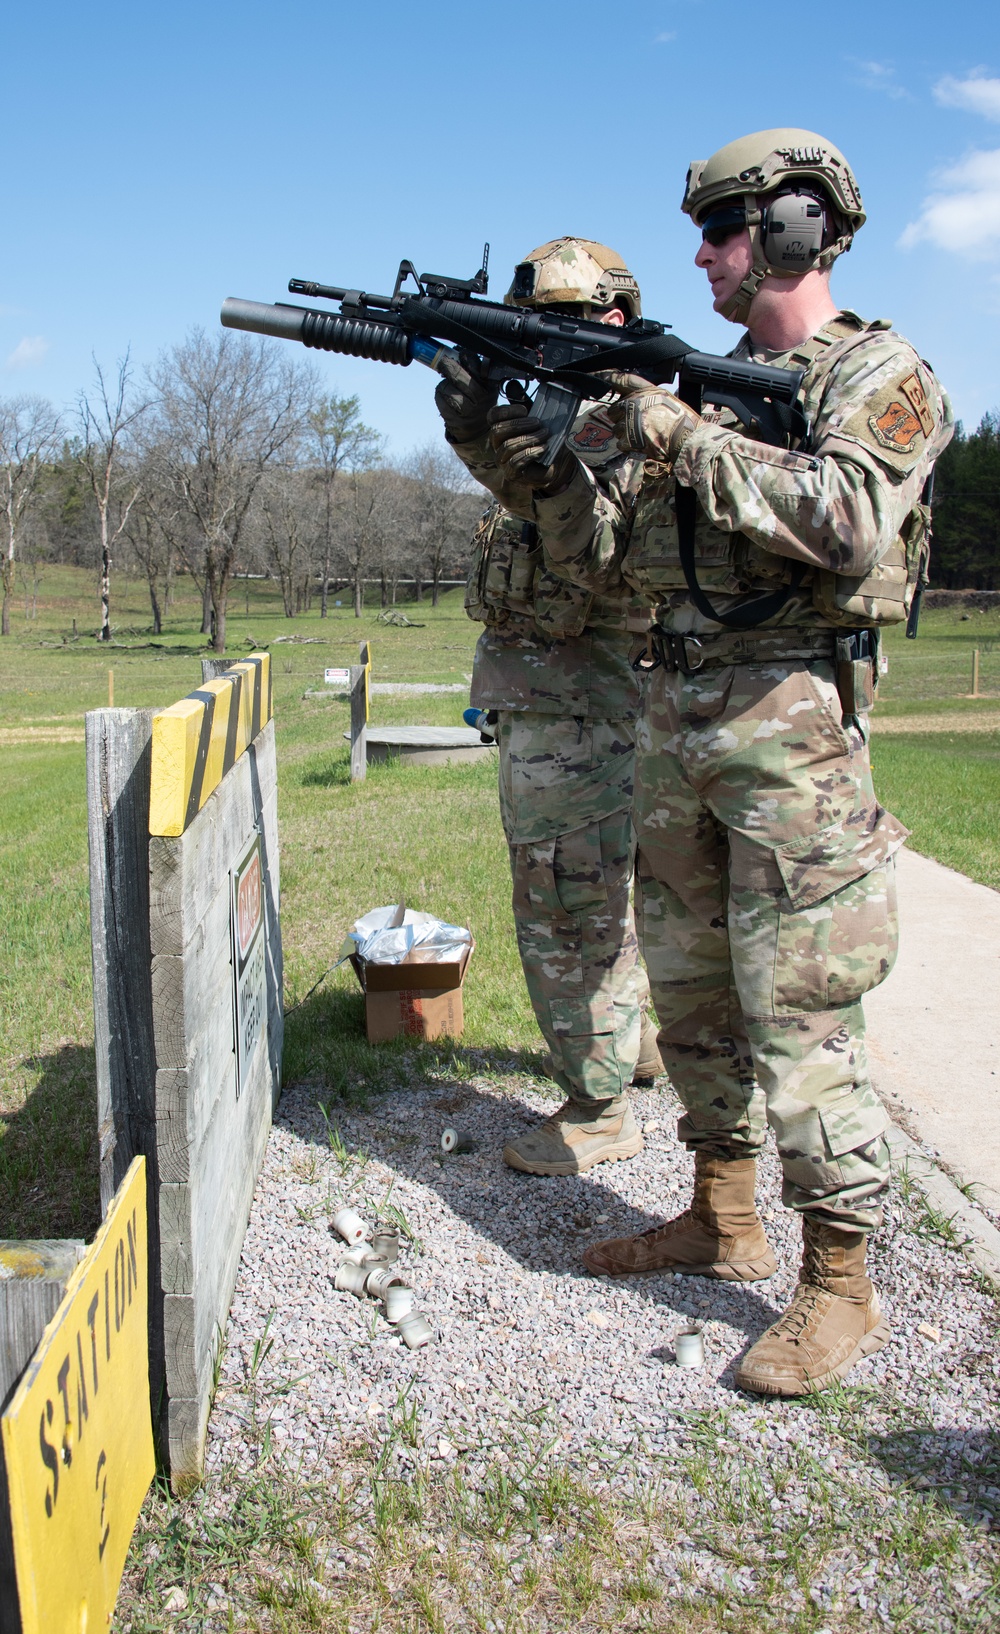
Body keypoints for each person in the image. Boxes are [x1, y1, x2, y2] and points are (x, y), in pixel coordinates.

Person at [485, 133, 953, 1393]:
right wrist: (517, 446)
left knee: (798, 1008)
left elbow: (848, 516)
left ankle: (839, 1282)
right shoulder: (688, 380)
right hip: (671, 721)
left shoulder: (877, 372)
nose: (701, 254)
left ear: (798, 228)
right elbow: (591, 562)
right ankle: (721, 1211)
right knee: (690, 997)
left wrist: (682, 435)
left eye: (724, 229)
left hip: (793, 736)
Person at [435, 237, 663, 1177]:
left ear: (614, 321)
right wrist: (474, 431)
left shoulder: (636, 417)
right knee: (610, 894)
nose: (542, 341)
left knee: (567, 903)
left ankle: (598, 1105)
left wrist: (528, 466)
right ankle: (631, 1051)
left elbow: (591, 552)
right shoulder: (578, 413)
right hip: (573, 703)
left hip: (585, 707)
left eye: (562, 323)